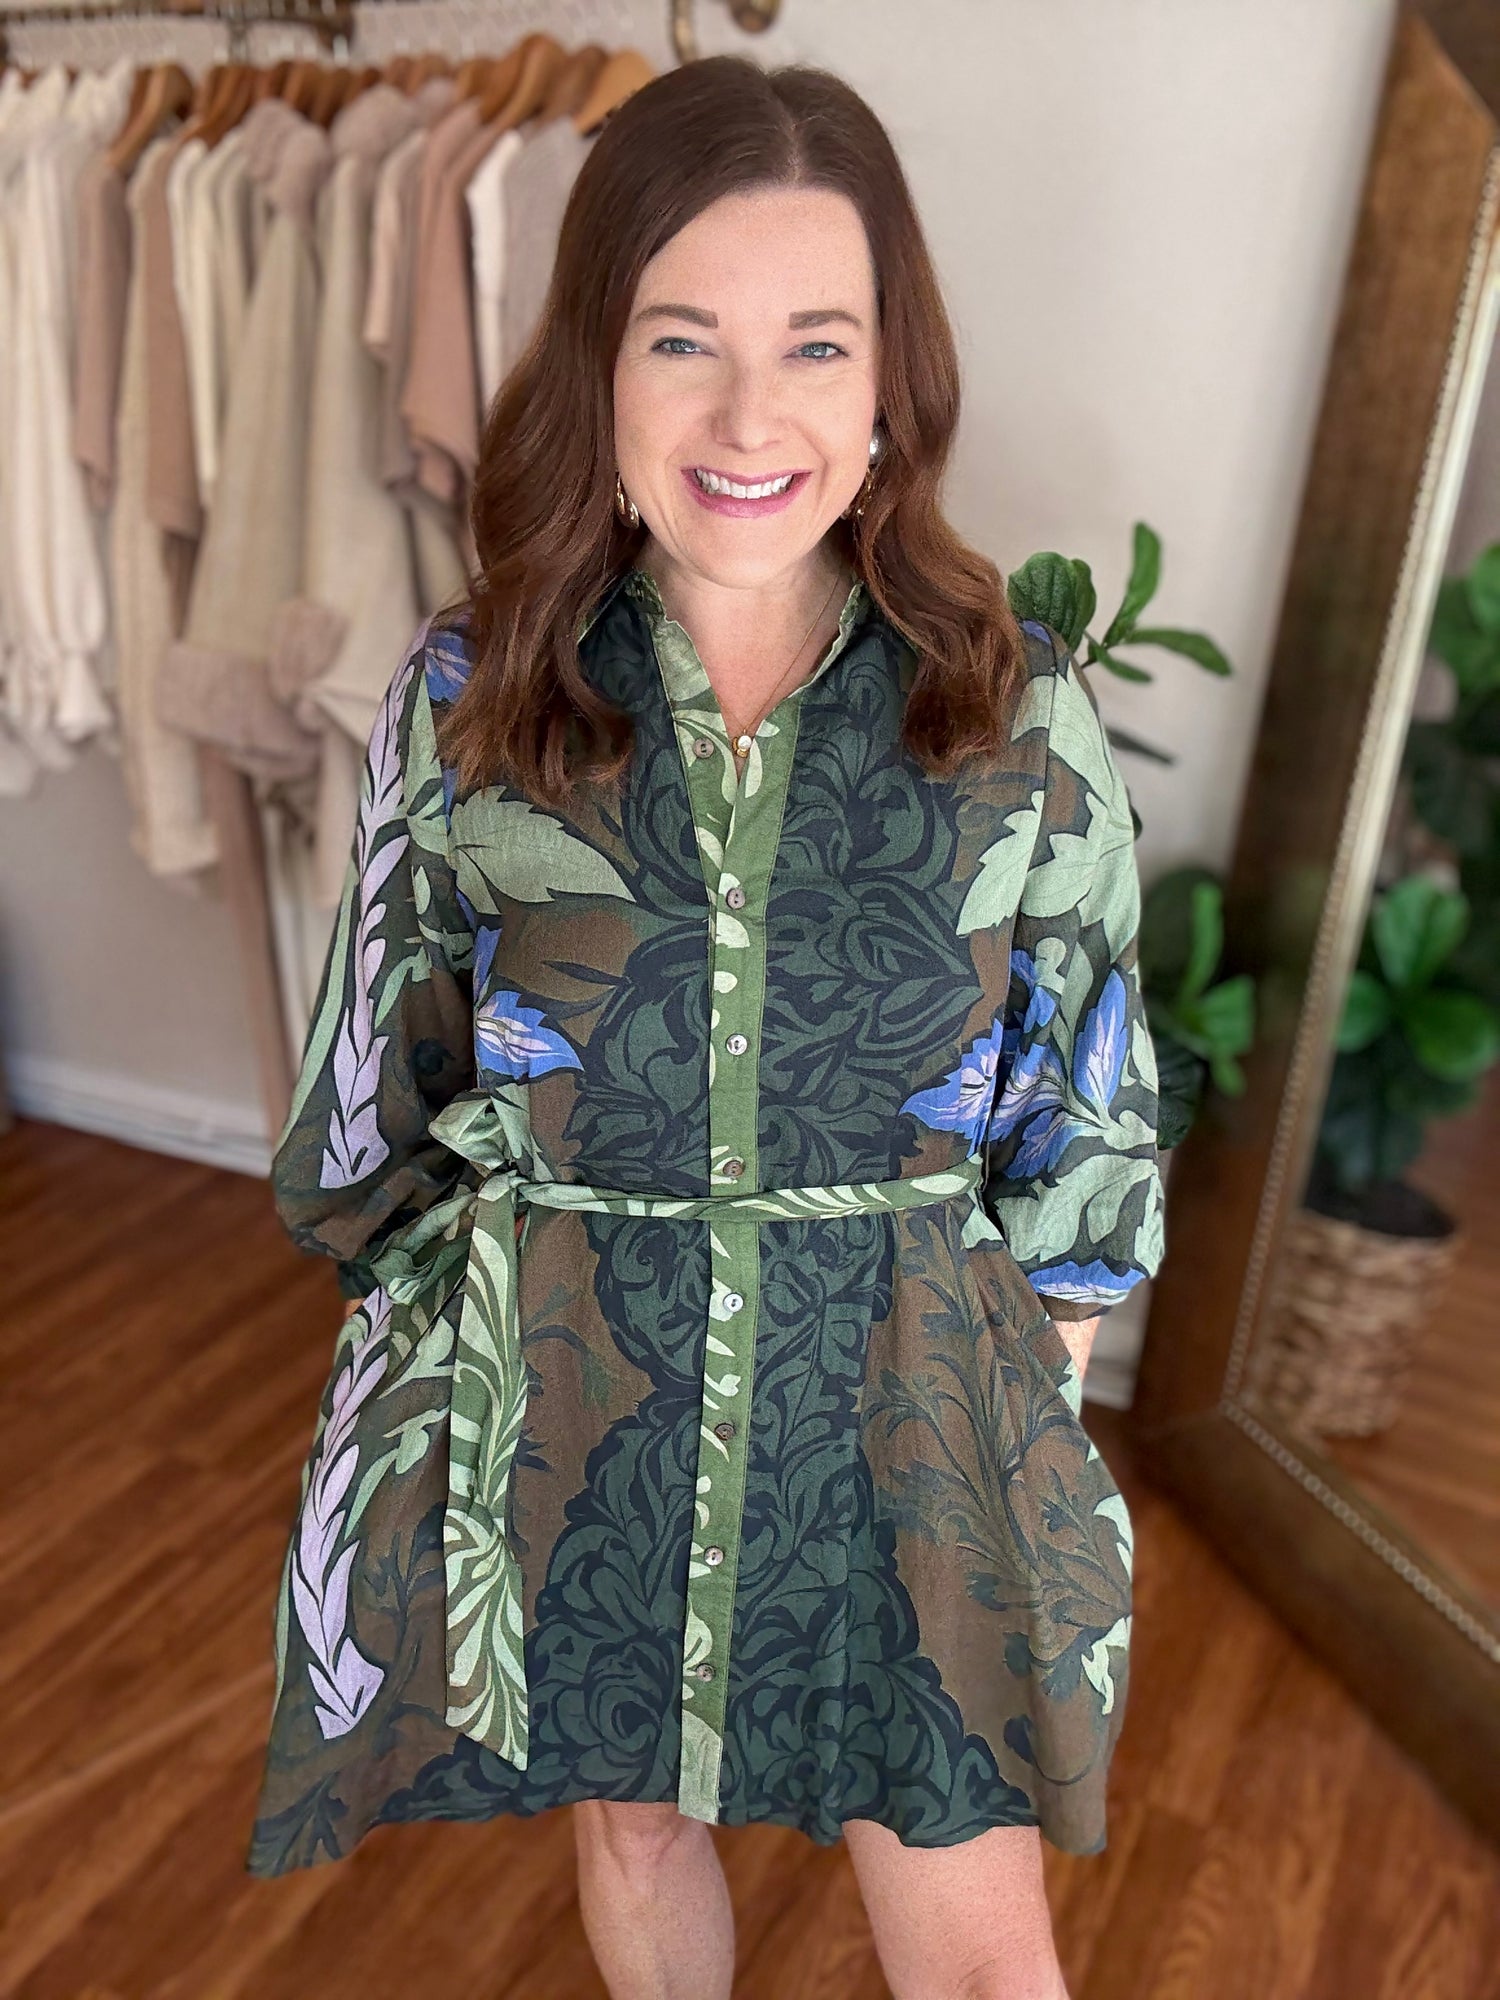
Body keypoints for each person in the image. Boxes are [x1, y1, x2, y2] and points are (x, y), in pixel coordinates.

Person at [245, 54, 1166, 2000]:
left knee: (983, 1943)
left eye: (816, 344)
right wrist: (473, 1390)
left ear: (890, 378)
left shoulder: (1013, 711)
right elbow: (375, 1101)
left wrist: (1016, 1442)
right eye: (685, 342)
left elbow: (1086, 1136)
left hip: (911, 1417)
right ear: (600, 367)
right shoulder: (471, 702)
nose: (753, 416)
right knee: (635, 1825)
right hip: (587, 1392)